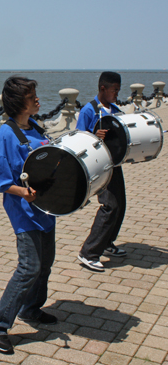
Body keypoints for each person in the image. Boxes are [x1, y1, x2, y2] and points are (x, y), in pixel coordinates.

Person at [0, 76, 57, 354]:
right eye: (32, 96)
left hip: (46, 210)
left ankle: (32, 309)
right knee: (29, 268)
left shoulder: (36, 127)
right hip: (24, 213)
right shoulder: (5, 136)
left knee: (45, 264)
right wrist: (22, 192)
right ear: (18, 102)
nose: (37, 99)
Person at [76, 71, 127, 272]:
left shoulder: (114, 109)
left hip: (116, 163)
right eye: (114, 90)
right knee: (109, 206)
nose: (116, 94)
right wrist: (94, 135)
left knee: (120, 205)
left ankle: (107, 243)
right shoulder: (89, 110)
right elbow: (80, 139)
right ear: (103, 88)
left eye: (118, 90)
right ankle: (89, 252)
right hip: (102, 165)